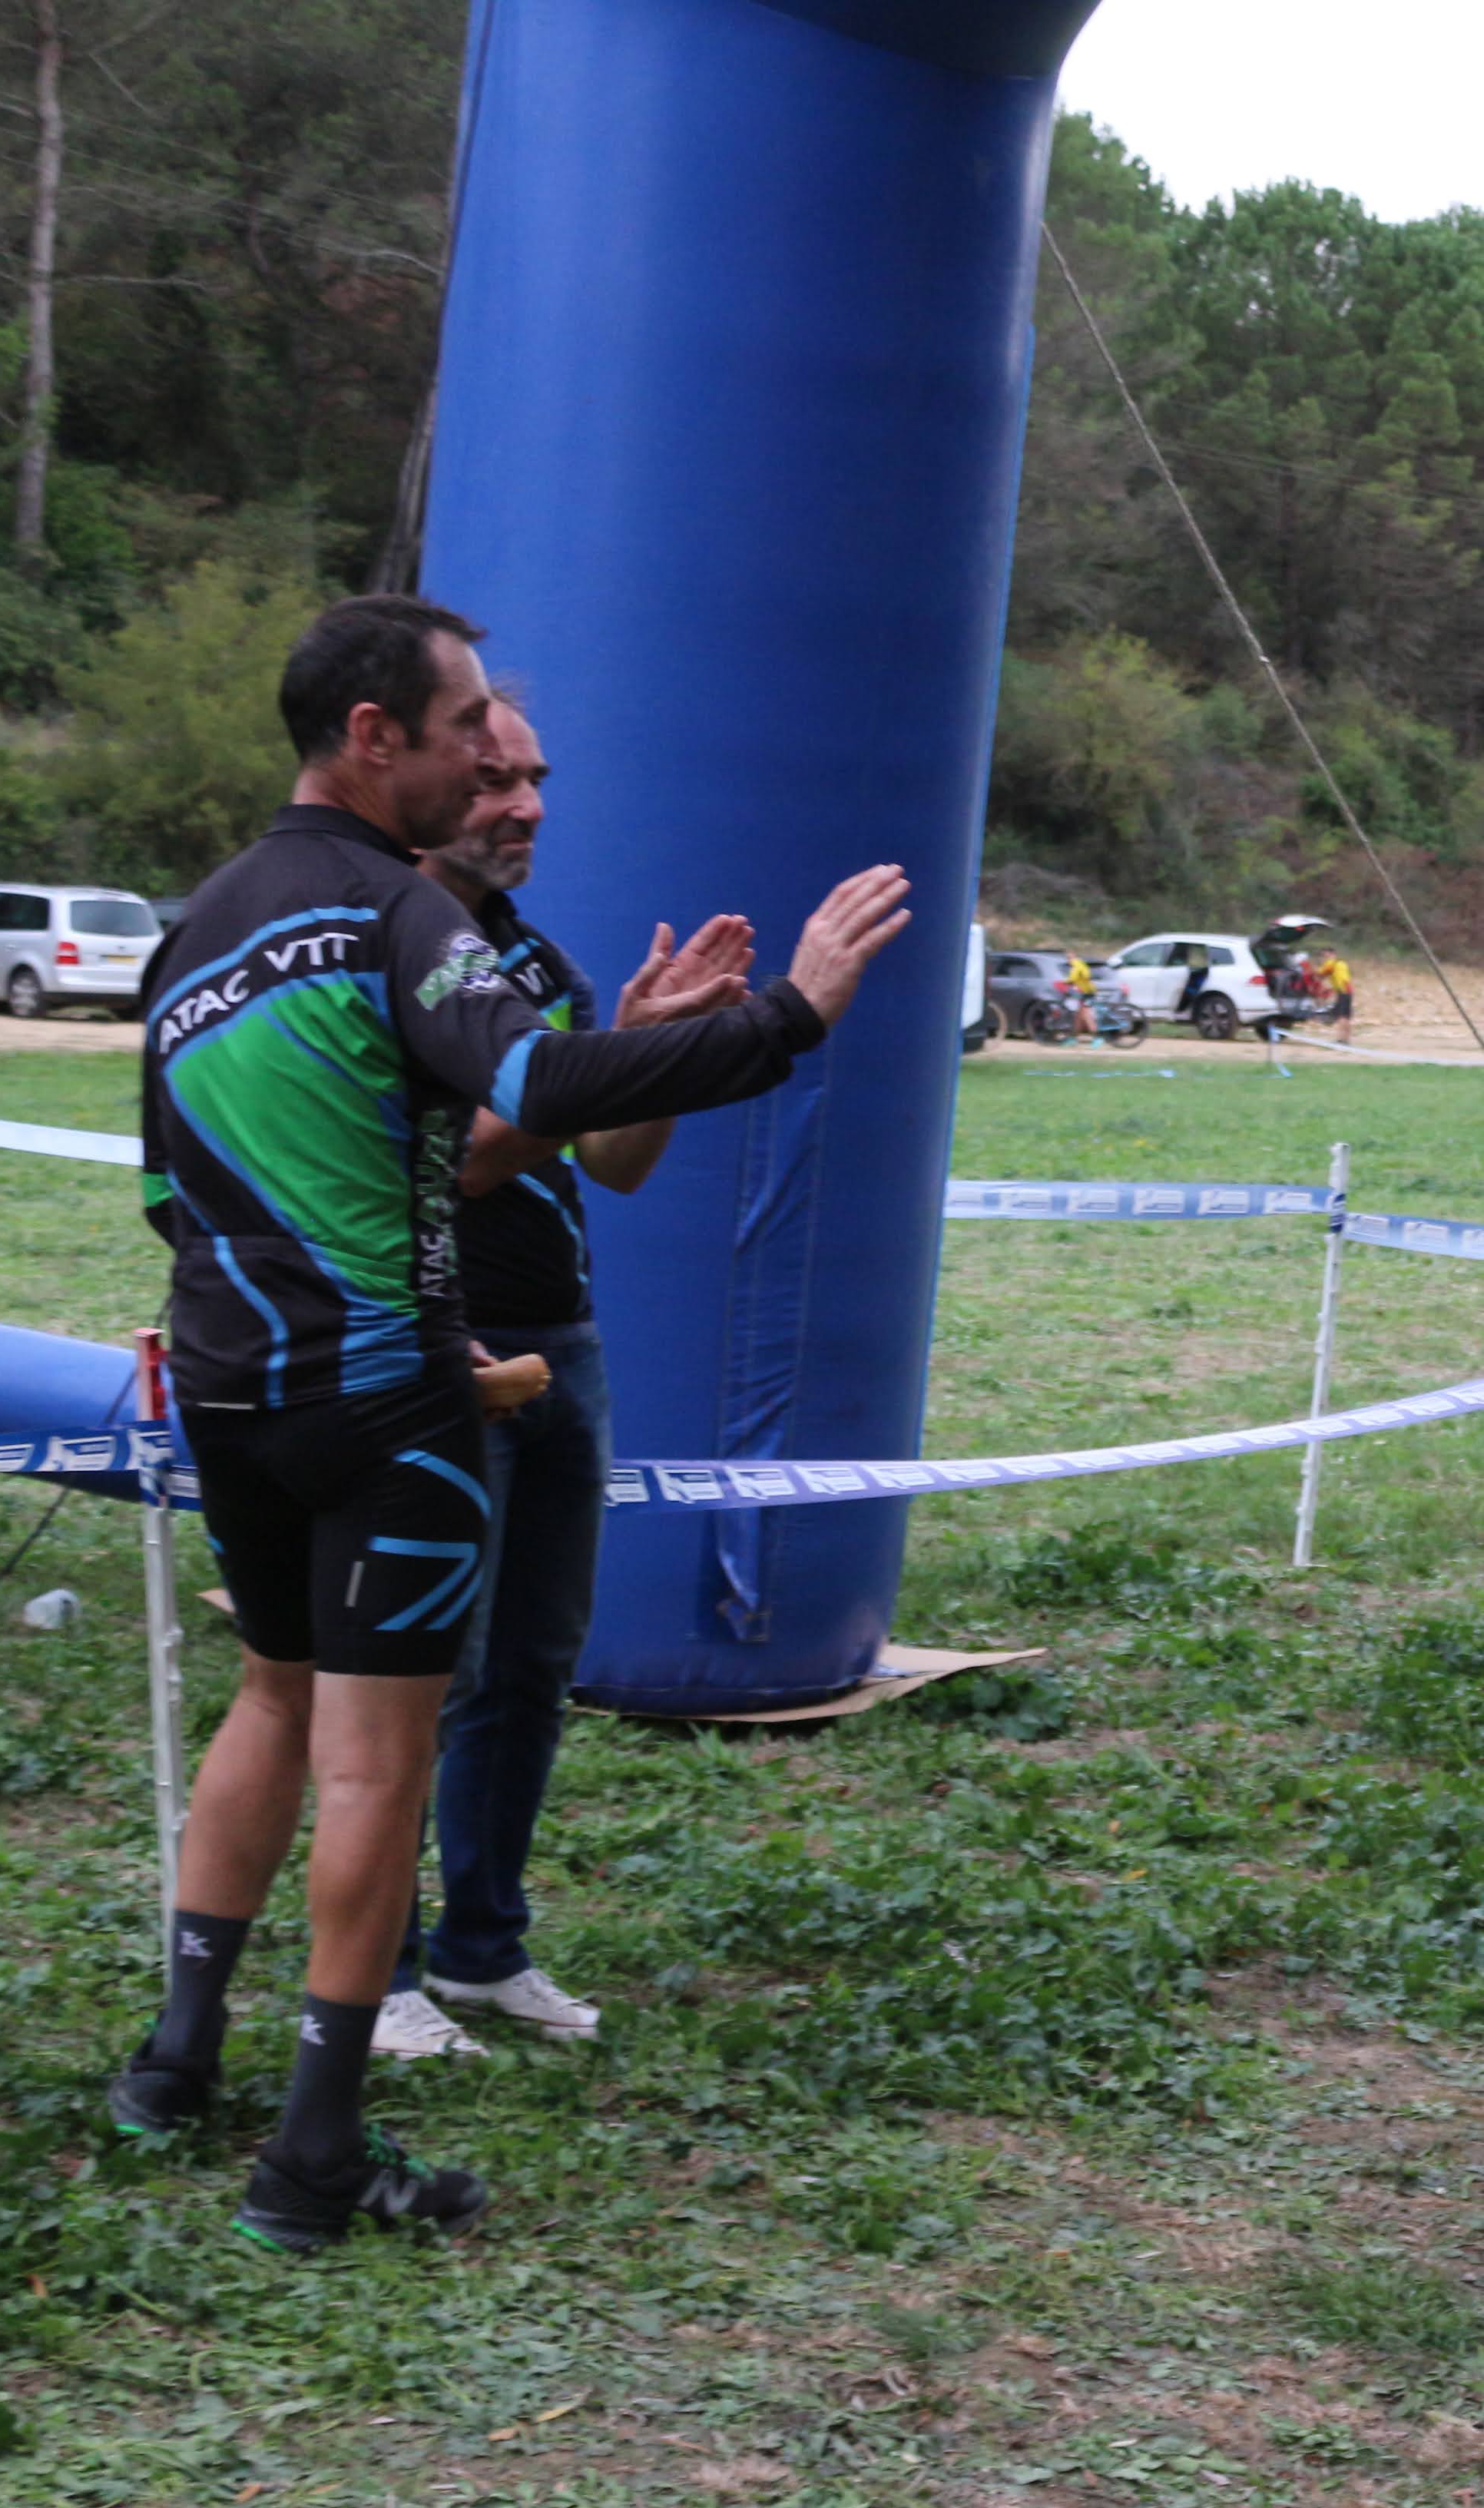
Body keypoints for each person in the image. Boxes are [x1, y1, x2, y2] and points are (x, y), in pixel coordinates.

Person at [110, 594, 913, 2255]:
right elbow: (539, 1094)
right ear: (372, 738)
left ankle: (175, 2063)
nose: (498, 758)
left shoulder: (199, 929)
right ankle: (312, 2161)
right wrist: (790, 1016)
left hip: (234, 1390)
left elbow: (169, 1195)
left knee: (272, 1694)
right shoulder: (395, 908)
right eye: (470, 725)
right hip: (390, 1396)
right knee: (376, 1762)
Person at [372, 693, 727, 2059]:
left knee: (529, 1667)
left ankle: (482, 1952)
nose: (525, 806)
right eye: (493, 780)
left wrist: (649, 1058)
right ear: (418, 779)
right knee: (424, 1675)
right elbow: (459, 1162)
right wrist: (589, 1076)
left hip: (560, 1348)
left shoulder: (536, 962)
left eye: (536, 780)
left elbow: (615, 1164)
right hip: (435, 1352)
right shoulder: (381, 952)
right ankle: (379, 1972)